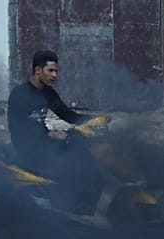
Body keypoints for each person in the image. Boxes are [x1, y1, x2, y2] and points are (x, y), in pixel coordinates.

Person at [6, 50, 102, 211]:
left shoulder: (47, 92)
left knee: (81, 148)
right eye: (50, 70)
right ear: (38, 71)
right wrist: (49, 134)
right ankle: (69, 206)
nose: (55, 75)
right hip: (27, 147)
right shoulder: (20, 94)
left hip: (43, 141)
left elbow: (67, 114)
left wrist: (94, 120)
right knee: (71, 161)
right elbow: (19, 128)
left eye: (56, 71)